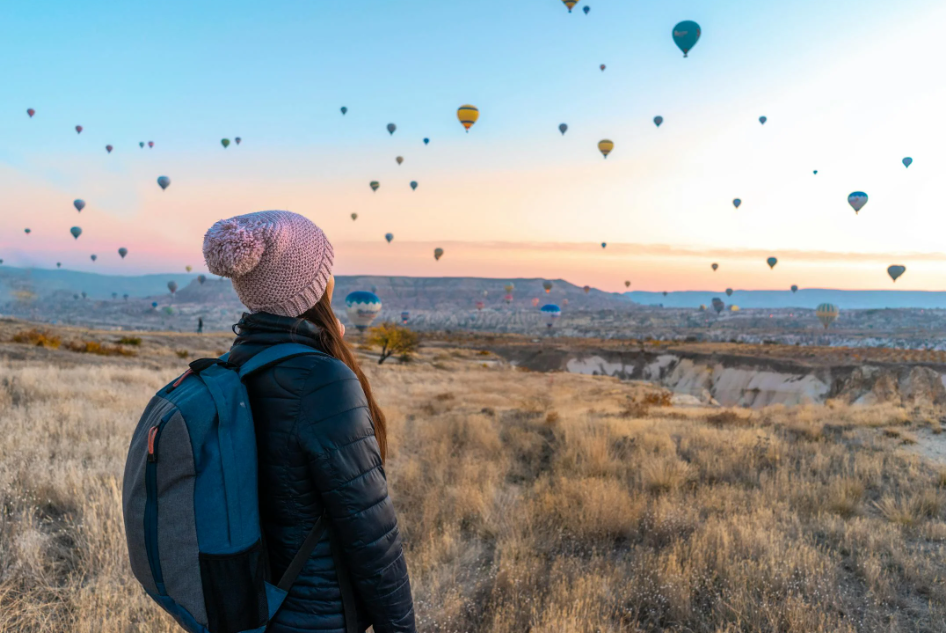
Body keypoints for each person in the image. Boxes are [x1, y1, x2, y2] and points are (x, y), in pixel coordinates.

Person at [202, 210, 415, 633]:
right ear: (314, 285)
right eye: (326, 269)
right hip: (317, 616)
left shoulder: (236, 364)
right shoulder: (321, 379)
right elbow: (371, 532)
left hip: (253, 607)